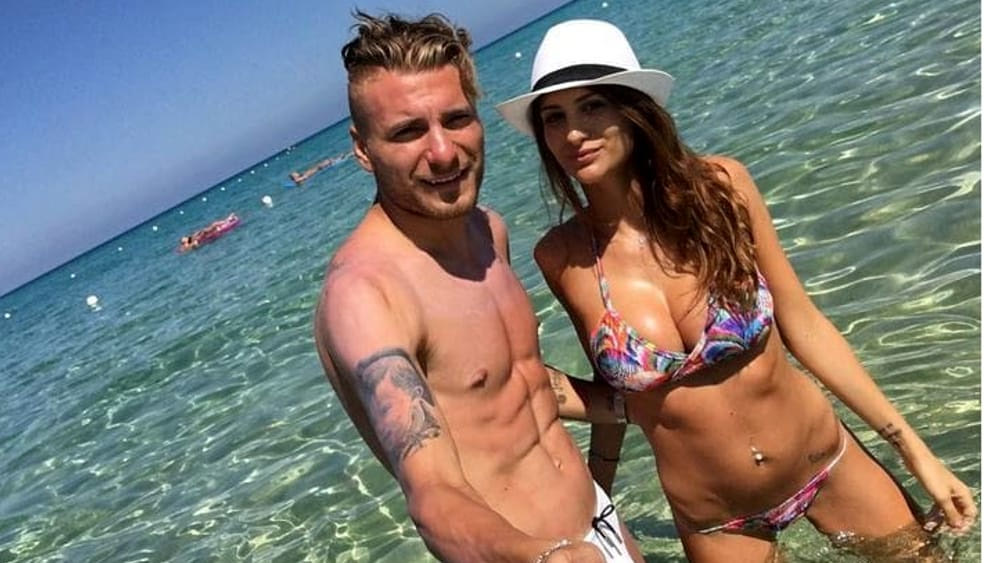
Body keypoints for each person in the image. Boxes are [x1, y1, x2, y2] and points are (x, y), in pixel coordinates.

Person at [496, 19, 977, 562]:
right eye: (554, 118)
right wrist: (598, 496)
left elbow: (804, 325)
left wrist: (916, 454)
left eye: (591, 107)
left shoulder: (721, 191)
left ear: (633, 109)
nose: (572, 134)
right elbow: (618, 390)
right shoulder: (562, 256)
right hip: (716, 518)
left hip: (827, 465)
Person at [313, 12, 645, 563]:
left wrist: (639, 403)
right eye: (408, 131)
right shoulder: (365, 295)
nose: (444, 151)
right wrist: (544, 557)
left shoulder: (488, 230)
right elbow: (433, 496)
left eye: (456, 119)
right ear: (362, 147)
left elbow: (514, 383)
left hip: (598, 518)